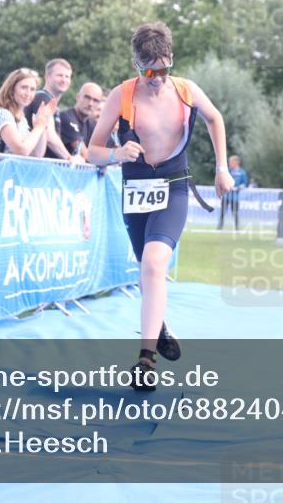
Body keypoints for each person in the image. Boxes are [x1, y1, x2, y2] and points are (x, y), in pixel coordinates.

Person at [86, 22, 233, 391]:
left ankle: (145, 361)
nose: (156, 78)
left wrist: (221, 168)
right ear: (136, 64)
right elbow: (92, 152)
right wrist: (116, 153)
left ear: (171, 61)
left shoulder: (185, 90)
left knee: (154, 263)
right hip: (136, 187)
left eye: (162, 70)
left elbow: (215, 118)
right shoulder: (122, 95)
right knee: (146, 270)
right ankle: (158, 327)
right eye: (148, 71)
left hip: (173, 186)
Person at [0, 67, 56, 156]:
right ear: (11, 89)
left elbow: (36, 154)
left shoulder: (22, 119)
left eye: (32, 89)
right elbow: (21, 150)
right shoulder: (2, 114)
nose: (28, 94)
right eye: (24, 87)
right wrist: (39, 127)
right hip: (0, 169)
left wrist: (42, 125)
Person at [22, 58, 80, 163]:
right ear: (48, 77)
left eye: (67, 76)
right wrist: (70, 158)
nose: (64, 80)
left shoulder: (51, 102)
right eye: (59, 75)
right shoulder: (42, 98)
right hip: (34, 166)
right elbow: (50, 137)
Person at [61, 82, 114, 158]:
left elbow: (104, 149)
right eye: (87, 97)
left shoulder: (91, 124)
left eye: (95, 100)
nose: (90, 103)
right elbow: (85, 155)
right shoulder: (66, 117)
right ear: (78, 97)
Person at [218, 155, 250, 230]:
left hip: (235, 197)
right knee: (222, 212)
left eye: (231, 162)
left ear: (236, 162)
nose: (229, 164)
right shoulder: (227, 171)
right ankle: (219, 227)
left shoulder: (242, 173)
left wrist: (239, 188)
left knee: (235, 213)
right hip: (226, 196)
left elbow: (244, 184)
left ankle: (237, 228)